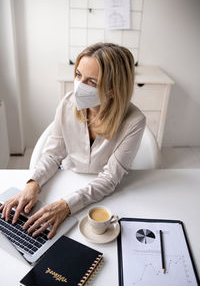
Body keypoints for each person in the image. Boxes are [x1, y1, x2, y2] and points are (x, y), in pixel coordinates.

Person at [0, 43, 146, 239]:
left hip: (104, 195)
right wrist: (33, 184)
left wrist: (66, 206)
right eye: (78, 75)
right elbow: (53, 154)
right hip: (69, 179)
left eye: (92, 82)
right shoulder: (67, 103)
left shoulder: (134, 122)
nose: (79, 86)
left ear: (113, 90)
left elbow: (110, 179)